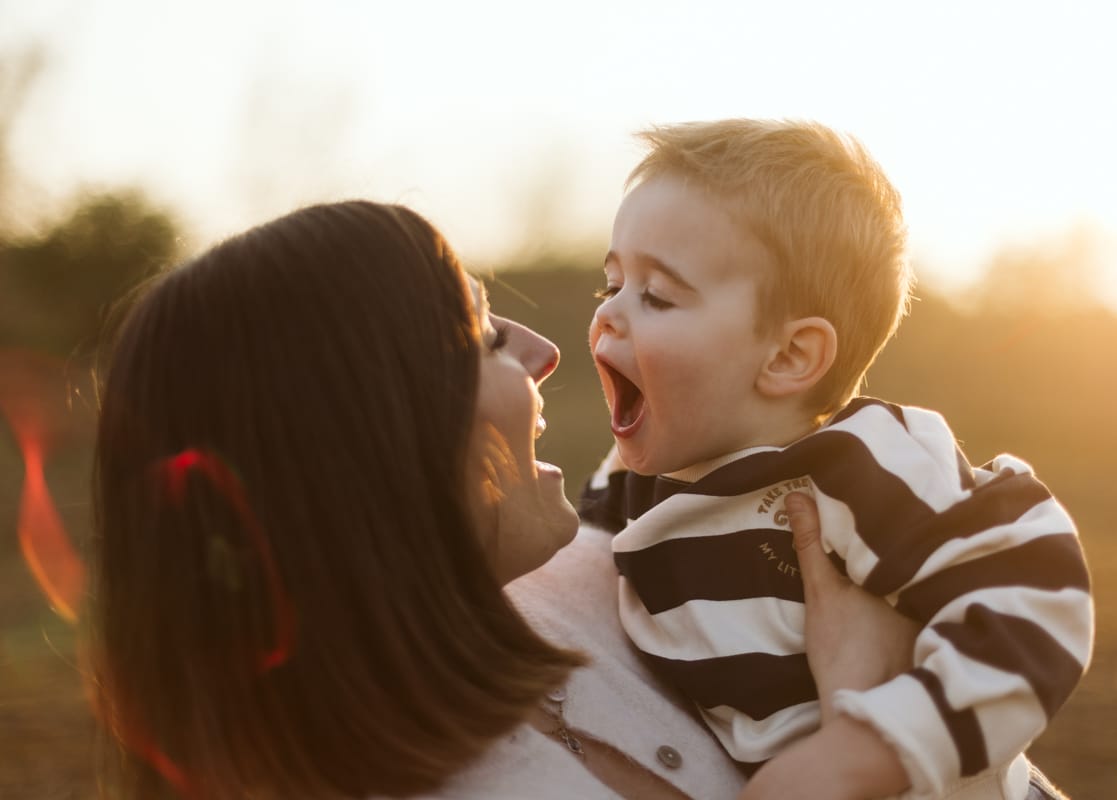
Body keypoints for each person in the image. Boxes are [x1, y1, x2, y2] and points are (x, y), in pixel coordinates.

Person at [95, 199, 896, 799]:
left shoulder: (630, 573)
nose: (549, 351)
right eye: (481, 335)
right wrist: (864, 722)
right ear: (373, 431)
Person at [580, 120, 1093, 799]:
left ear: (790, 357)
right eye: (611, 283)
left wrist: (860, 751)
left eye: (657, 295)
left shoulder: (860, 467)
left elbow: (1036, 596)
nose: (611, 314)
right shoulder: (629, 485)